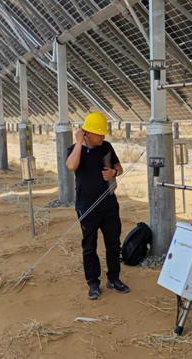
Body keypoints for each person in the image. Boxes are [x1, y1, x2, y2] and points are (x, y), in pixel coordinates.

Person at [66, 112, 130, 300]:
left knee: (113, 243)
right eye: (98, 134)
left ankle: (114, 278)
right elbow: (71, 166)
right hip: (86, 208)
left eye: (103, 133)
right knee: (89, 246)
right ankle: (93, 283)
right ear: (87, 133)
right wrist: (79, 143)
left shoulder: (106, 147)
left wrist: (113, 173)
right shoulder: (74, 150)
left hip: (109, 206)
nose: (102, 137)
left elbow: (119, 167)